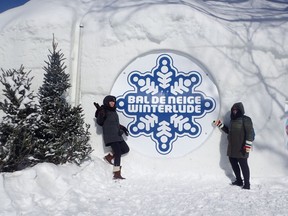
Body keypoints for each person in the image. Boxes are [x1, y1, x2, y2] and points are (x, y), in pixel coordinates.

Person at [213, 102, 255, 190]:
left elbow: (250, 133)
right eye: (233, 110)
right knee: (234, 163)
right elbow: (229, 131)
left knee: (243, 165)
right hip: (232, 147)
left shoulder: (246, 119)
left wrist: (247, 146)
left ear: (240, 110)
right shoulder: (232, 120)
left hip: (242, 147)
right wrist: (220, 124)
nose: (235, 111)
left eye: (236, 110)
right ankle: (239, 180)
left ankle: (247, 184)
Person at [94, 95, 130, 180]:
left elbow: (114, 123)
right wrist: (101, 114)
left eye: (113, 102)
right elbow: (100, 122)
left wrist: (122, 128)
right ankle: (116, 173)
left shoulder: (114, 111)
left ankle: (109, 157)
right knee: (118, 153)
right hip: (110, 136)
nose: (112, 103)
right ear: (107, 102)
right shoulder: (104, 111)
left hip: (117, 135)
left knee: (125, 149)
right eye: (111, 102)